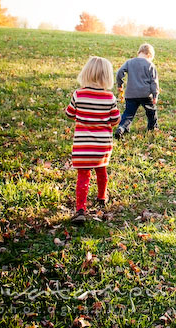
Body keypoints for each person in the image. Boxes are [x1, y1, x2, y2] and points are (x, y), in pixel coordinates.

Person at [65, 56, 121, 225]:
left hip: (83, 146)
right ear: (107, 77)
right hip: (102, 146)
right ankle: (102, 197)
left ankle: (80, 208)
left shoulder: (78, 94)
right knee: (101, 171)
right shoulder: (109, 98)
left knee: (83, 176)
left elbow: (69, 113)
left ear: (86, 73)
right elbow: (115, 120)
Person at [114, 43, 159, 139]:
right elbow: (154, 81)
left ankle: (122, 128)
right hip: (146, 94)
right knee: (151, 112)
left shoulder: (129, 62)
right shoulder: (150, 64)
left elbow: (119, 72)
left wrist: (120, 84)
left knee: (128, 113)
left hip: (131, 94)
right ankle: (152, 128)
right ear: (149, 55)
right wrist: (155, 95)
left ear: (139, 52)